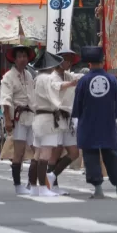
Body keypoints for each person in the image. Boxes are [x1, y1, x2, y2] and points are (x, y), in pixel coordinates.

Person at [71, 46, 117, 199]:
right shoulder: (112, 80)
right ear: (103, 61)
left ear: (89, 63)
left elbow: (77, 105)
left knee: (91, 155)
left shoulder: (83, 81)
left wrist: (77, 117)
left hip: (88, 124)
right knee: (112, 155)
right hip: (108, 123)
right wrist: (114, 116)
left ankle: (98, 189)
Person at [30, 52, 77, 197]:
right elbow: (55, 89)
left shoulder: (37, 78)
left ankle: (34, 187)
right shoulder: (47, 79)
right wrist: (70, 85)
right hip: (48, 119)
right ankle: (43, 187)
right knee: (45, 154)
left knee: (37, 154)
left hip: (39, 118)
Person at [1, 44, 37, 194]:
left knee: (38, 150)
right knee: (19, 153)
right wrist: (8, 120)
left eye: (25, 56)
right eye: (20, 56)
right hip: (18, 118)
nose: (23, 59)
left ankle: (31, 182)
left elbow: (33, 96)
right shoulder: (8, 77)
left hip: (31, 116)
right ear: (14, 59)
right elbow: (5, 100)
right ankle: (18, 185)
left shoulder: (28, 75)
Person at [48, 48, 81, 187]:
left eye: (70, 59)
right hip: (57, 116)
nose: (69, 62)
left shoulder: (68, 75)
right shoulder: (52, 76)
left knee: (74, 152)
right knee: (56, 151)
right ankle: (51, 184)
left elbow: (79, 77)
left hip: (69, 117)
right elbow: (57, 86)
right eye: (66, 59)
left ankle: (51, 176)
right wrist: (71, 84)